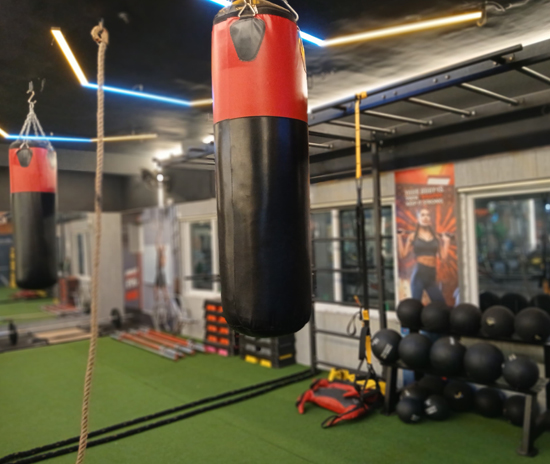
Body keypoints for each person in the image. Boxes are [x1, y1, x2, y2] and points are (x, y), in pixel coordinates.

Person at [397, 208, 451, 303]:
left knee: (441, 303)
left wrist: (447, 242)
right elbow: (403, 255)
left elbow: (443, 258)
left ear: (430, 219)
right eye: (422, 215)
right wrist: (399, 238)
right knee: (416, 305)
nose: (425, 217)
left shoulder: (436, 237)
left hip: (431, 275)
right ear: (418, 219)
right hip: (419, 274)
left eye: (427, 215)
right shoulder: (413, 236)